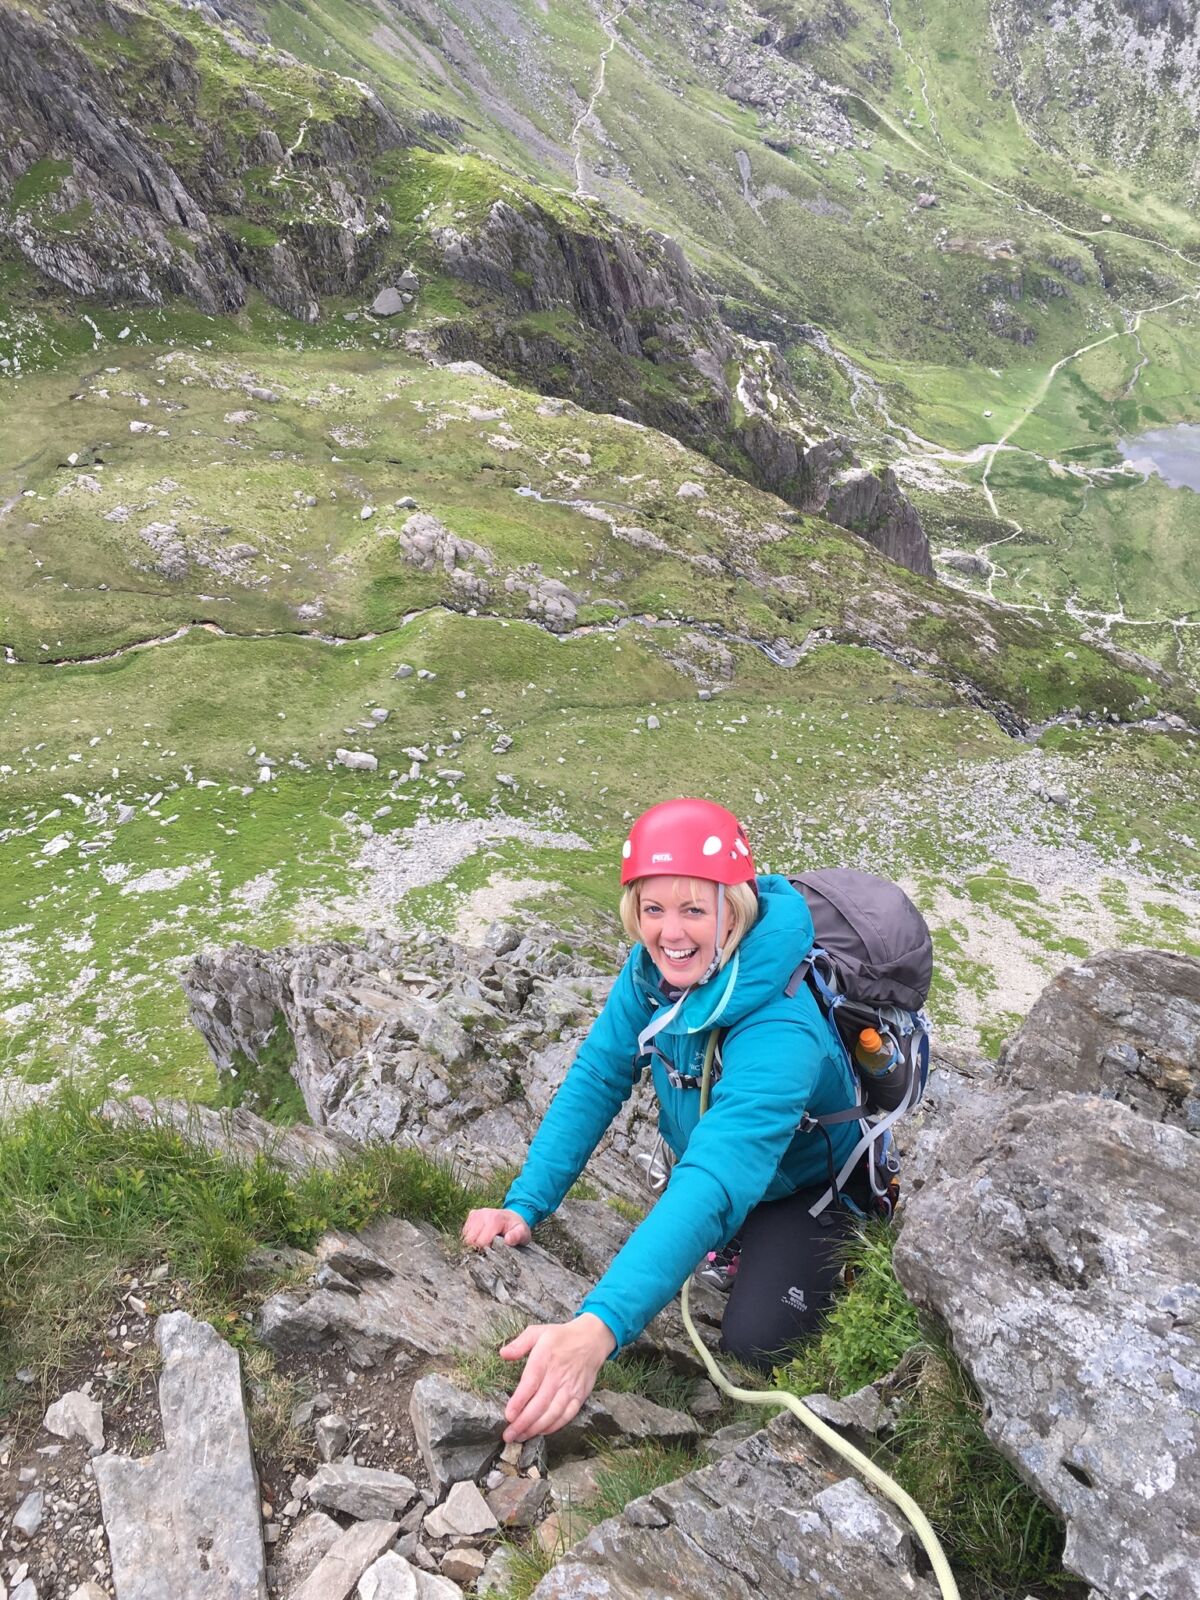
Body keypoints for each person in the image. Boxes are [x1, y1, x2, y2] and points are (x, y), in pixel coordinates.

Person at [461, 797, 867, 1445]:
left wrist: (596, 1330)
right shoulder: (651, 978)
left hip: (805, 1189)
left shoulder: (782, 1026)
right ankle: (727, 1242)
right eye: (653, 909)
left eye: (692, 909)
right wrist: (527, 1202)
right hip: (722, 1172)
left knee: (757, 1342)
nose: (670, 933)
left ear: (731, 909)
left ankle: (841, 1250)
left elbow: (716, 1176)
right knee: (707, 1234)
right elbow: (598, 1076)